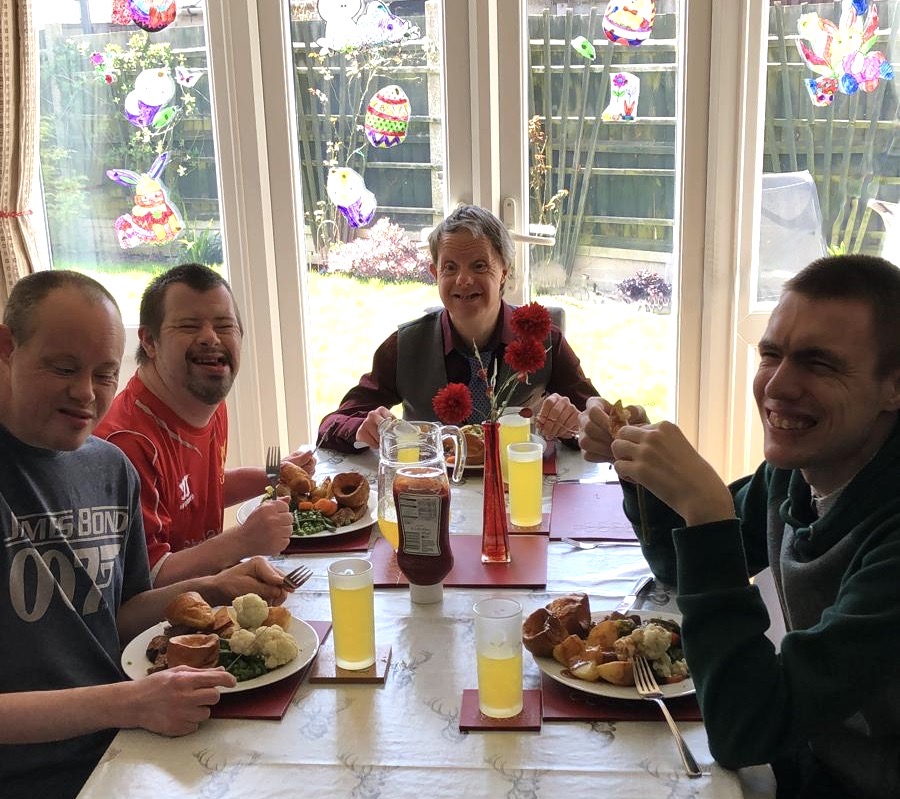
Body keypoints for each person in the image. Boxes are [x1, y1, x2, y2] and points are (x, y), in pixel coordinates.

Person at [578, 253, 900, 798]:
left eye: (819, 364)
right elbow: (682, 570)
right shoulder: (793, 475)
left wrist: (707, 513)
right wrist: (644, 474)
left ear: (893, 387)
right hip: (806, 755)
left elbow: (744, 730)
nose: (778, 385)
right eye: (770, 353)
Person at [0, 270, 292, 799]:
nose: (86, 394)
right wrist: (130, 703)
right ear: (6, 348)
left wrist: (215, 586)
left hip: (130, 742)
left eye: (104, 374)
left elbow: (122, 614)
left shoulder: (108, 468)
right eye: (64, 368)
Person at [95, 263, 315, 586]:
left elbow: (199, 491)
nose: (211, 338)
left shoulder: (205, 404)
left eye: (225, 326)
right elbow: (148, 579)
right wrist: (242, 541)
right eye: (189, 325)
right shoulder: (126, 443)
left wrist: (272, 474)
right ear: (149, 342)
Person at [318, 204, 598, 451]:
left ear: (504, 272)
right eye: (449, 268)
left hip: (518, 489)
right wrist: (362, 428)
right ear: (434, 274)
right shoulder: (404, 346)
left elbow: (600, 421)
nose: (463, 279)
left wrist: (573, 424)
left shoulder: (546, 341)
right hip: (431, 494)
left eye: (479, 266)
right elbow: (333, 423)